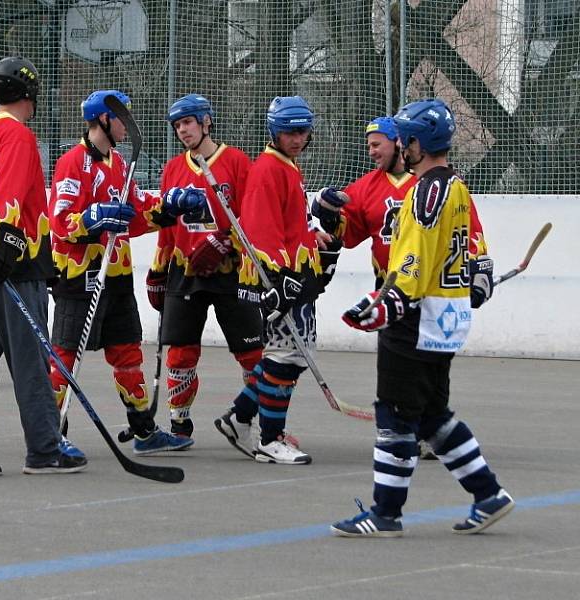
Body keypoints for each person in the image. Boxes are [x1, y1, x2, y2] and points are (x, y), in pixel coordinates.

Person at [331, 98, 513, 537]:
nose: (401, 145)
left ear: (417, 142)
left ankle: (385, 512)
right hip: (445, 318)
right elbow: (465, 250)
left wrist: (385, 303)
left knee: (394, 414)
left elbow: (414, 261)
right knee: (432, 414)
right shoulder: (456, 186)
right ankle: (488, 493)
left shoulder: (424, 192)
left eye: (405, 138)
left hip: (416, 317)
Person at [313, 116, 492, 459]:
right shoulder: (365, 187)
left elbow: (468, 229)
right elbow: (346, 234)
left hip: (430, 290)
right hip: (392, 288)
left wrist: (479, 269)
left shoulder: (435, 183)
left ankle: (415, 431)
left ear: (402, 142)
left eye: (376, 144)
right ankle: (413, 430)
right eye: (368, 145)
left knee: (429, 370)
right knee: (399, 368)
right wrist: (328, 211)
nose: (371, 152)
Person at [0, 56, 87, 477]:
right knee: (30, 360)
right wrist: (7, 245)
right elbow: (7, 198)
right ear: (30, 95)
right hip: (13, 265)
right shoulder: (20, 137)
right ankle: (44, 450)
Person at [48, 89, 207, 455]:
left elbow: (135, 213)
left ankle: (144, 431)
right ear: (104, 119)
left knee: (127, 353)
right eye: (123, 118)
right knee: (65, 355)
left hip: (116, 273)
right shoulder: (73, 162)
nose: (128, 126)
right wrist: (93, 217)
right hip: (80, 273)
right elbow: (59, 222)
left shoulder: (119, 163)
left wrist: (170, 207)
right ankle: (50, 433)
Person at [213, 96, 341, 465]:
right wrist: (276, 279)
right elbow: (259, 230)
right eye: (290, 132)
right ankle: (268, 439)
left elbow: (288, 221)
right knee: (284, 359)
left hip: (296, 277)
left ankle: (238, 418)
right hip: (282, 280)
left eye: (302, 131)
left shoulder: (288, 166)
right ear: (275, 132)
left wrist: (309, 233)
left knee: (289, 357)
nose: (297, 138)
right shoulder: (269, 169)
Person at [145, 93, 263, 442]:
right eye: (178, 125)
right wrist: (157, 270)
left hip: (232, 270)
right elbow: (167, 226)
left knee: (252, 351)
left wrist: (226, 240)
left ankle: (250, 420)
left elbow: (254, 215)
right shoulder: (173, 168)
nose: (183, 130)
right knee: (180, 351)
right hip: (185, 271)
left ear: (206, 122)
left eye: (189, 122)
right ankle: (179, 424)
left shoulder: (238, 162)